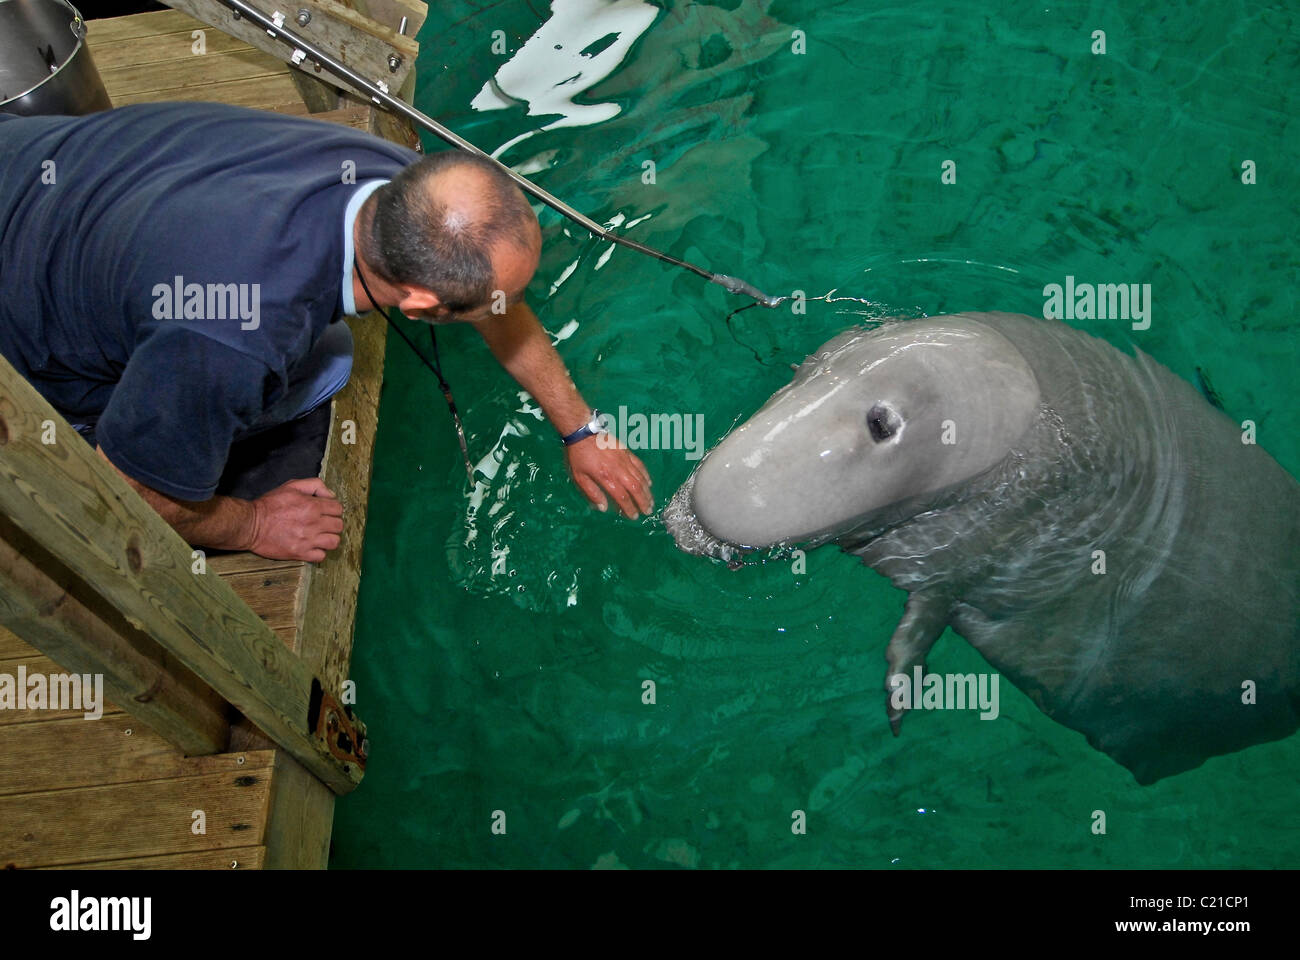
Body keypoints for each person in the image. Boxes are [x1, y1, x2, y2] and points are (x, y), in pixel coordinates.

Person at [0, 101, 652, 562]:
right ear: (420, 302)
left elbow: (492, 296)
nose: (506, 310)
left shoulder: (394, 182)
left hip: (28, 164)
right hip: (24, 329)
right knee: (328, 366)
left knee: (328, 350)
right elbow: (129, 495)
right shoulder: (233, 334)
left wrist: (581, 427)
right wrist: (253, 523)